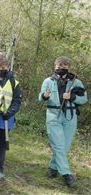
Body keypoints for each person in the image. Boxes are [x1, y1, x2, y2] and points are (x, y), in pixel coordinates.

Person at [38, 57, 87, 187]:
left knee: (64, 146)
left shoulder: (76, 82)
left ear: (68, 67)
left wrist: (72, 97)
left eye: (65, 65)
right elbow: (40, 97)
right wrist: (45, 96)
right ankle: (66, 174)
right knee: (59, 145)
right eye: (59, 64)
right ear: (55, 66)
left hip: (70, 117)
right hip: (53, 116)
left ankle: (53, 168)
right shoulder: (48, 81)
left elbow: (84, 99)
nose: (61, 67)